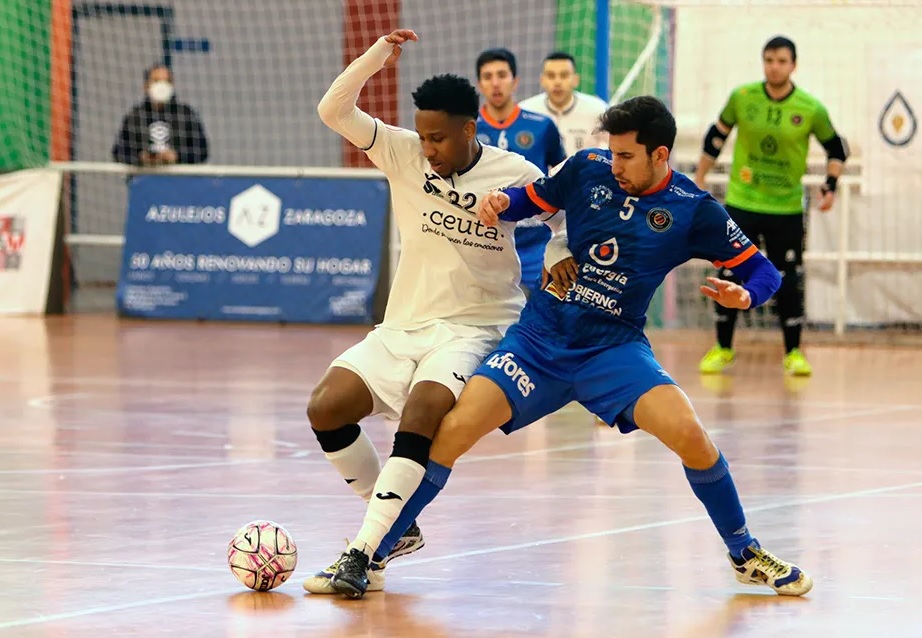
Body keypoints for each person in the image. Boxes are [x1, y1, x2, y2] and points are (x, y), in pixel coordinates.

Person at [327, 96, 813, 601]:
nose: (615, 164)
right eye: (613, 152)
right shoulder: (587, 168)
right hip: (540, 340)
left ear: (660, 155)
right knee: (452, 432)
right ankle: (373, 552)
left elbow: (764, 271)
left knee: (691, 435)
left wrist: (746, 295)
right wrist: (502, 203)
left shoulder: (693, 209)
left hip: (613, 350)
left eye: (626, 156)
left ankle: (745, 553)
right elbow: (533, 199)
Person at [304, 29, 566, 595]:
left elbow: (563, 216)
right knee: (326, 407)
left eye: (439, 139)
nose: (428, 149)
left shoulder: (515, 172)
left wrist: (558, 255)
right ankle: (398, 528)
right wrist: (375, 57)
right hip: (404, 324)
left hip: (476, 328)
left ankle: (361, 552)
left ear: (470, 129)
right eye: (423, 137)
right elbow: (333, 111)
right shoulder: (403, 152)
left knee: (422, 411)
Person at [695, 36, 848, 376]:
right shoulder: (742, 97)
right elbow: (715, 137)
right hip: (742, 202)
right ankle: (722, 348)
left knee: (788, 279)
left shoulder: (810, 108)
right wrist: (700, 178)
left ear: (794, 65)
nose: (774, 67)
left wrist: (831, 185)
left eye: (781, 61)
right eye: (769, 60)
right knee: (729, 271)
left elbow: (837, 148)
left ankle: (793, 353)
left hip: (786, 207)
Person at [475, 47, 567, 296]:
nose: (496, 83)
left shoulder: (542, 126)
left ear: (515, 81)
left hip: (536, 242)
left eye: (502, 75)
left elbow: (561, 177)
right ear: (479, 84)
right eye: (488, 77)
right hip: (485, 241)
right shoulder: (470, 128)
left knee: (546, 309)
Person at [112, 64, 209, 166]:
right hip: (144, 175)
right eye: (156, 81)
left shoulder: (185, 115)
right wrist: (141, 158)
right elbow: (119, 152)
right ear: (146, 86)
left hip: (178, 175)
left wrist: (177, 156)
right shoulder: (135, 116)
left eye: (167, 81)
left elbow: (202, 152)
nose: (162, 86)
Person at [519, 51, 610, 156]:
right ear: (542, 80)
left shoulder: (598, 110)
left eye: (564, 75)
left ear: (575, 80)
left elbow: (611, 151)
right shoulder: (526, 111)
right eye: (551, 76)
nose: (557, 82)